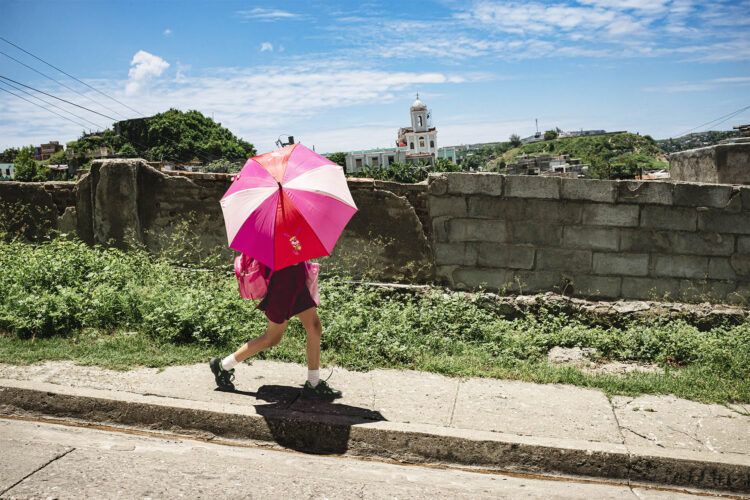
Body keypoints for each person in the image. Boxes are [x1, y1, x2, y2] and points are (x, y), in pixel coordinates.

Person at [209, 261, 341, 399]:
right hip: (284, 283)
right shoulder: (278, 240)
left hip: (296, 279)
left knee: (314, 327)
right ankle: (223, 366)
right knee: (272, 338)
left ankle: (313, 384)